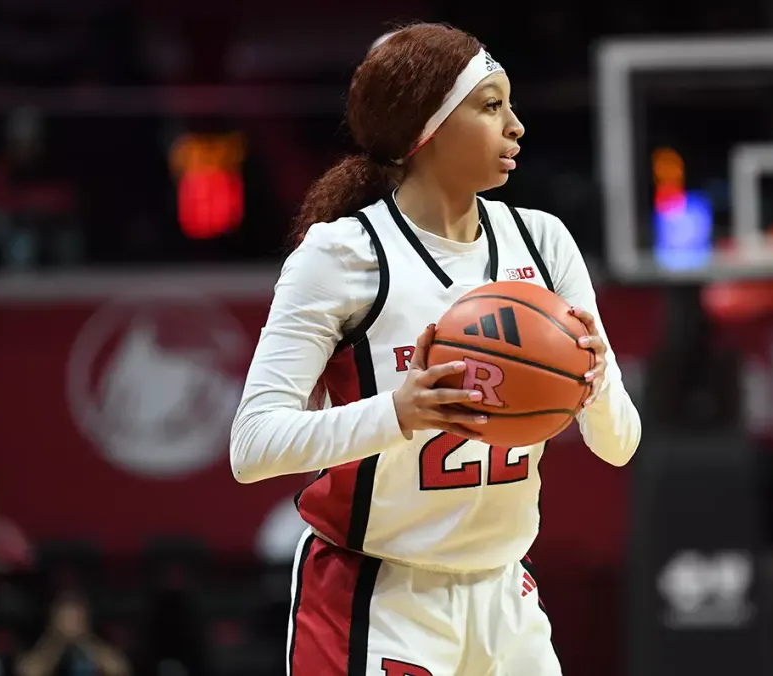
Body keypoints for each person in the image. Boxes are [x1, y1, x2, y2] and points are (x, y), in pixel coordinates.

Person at [229, 22, 641, 676]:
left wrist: (596, 382)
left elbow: (619, 446)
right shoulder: (342, 256)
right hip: (378, 593)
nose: (516, 126)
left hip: (505, 594)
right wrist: (398, 413)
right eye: (491, 106)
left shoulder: (544, 242)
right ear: (428, 127)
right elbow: (252, 447)